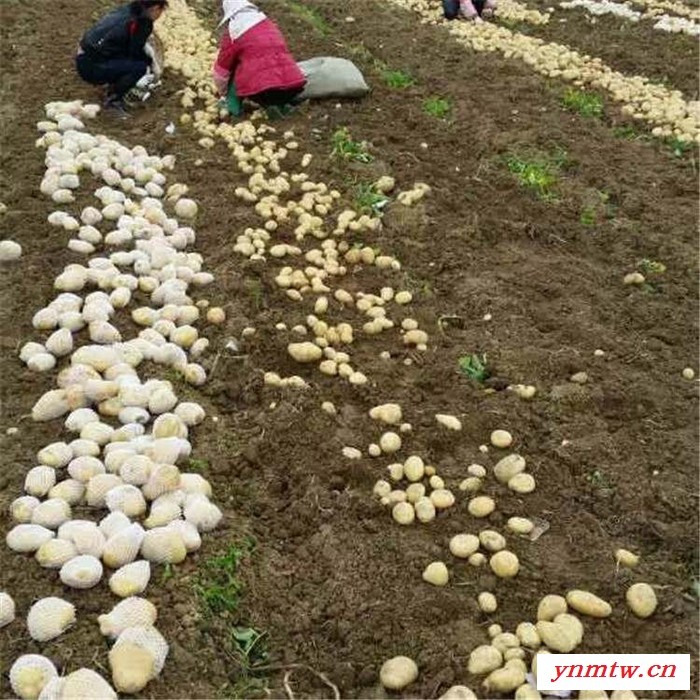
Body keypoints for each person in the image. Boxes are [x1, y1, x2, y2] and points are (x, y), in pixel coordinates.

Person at [212, 0, 307, 119]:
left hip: (263, 91)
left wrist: (222, 92)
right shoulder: (268, 24)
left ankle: (232, 107)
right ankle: (281, 106)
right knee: (270, 67)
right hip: (293, 86)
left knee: (236, 67)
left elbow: (221, 70)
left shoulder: (234, 32)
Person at [76, 0, 168, 117]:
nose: (160, 15)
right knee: (139, 67)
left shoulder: (127, 9)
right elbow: (134, 53)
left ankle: (109, 82)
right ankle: (113, 101)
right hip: (91, 68)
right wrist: (150, 63)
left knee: (124, 58)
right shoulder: (143, 22)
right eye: (161, 11)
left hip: (82, 55)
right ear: (155, 8)